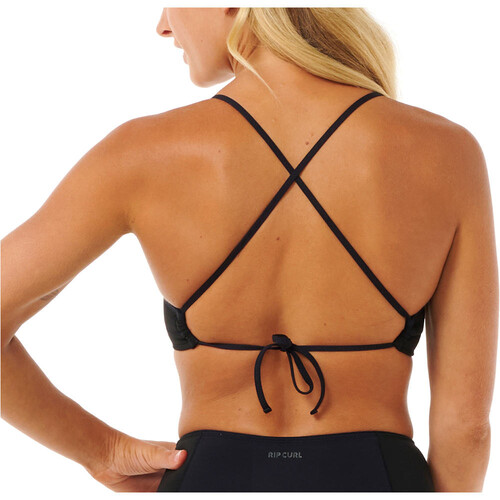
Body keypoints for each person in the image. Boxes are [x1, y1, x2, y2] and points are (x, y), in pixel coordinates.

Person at [1, 7, 497, 493]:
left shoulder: (141, 151)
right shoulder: (446, 151)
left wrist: (102, 451)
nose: (163, 26)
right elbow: (466, 430)